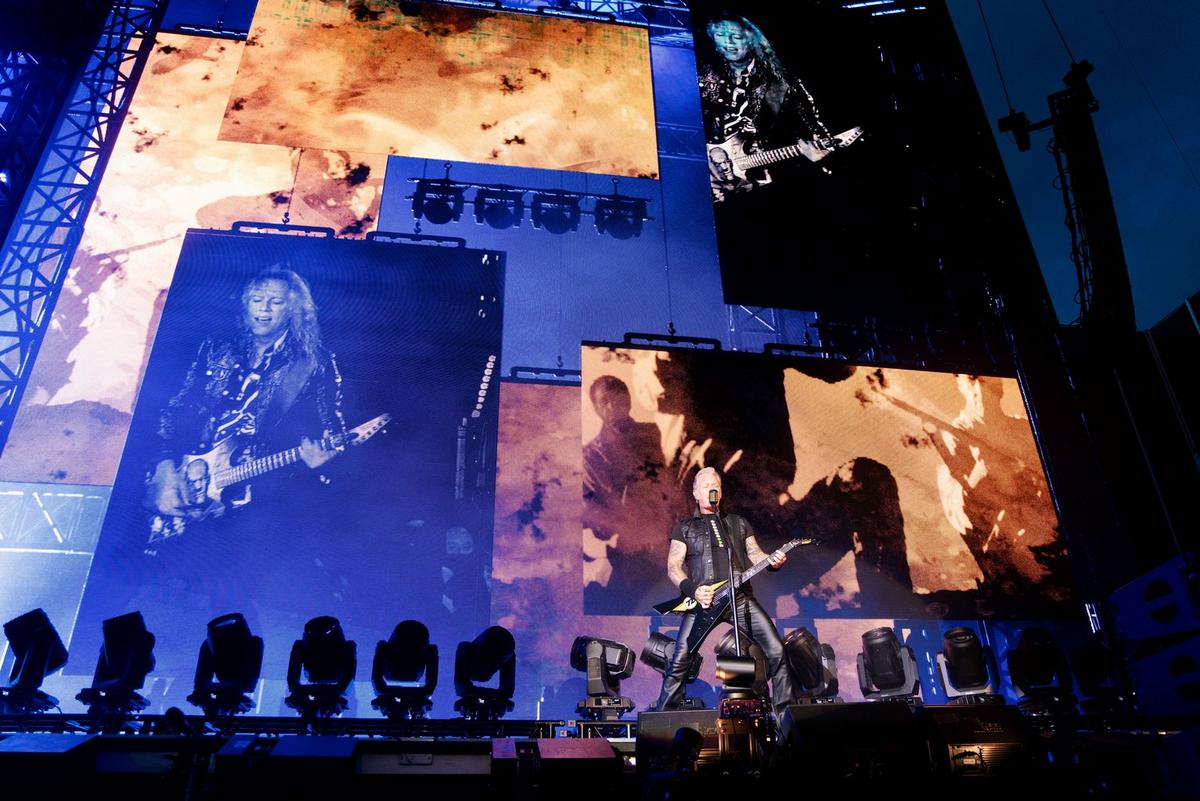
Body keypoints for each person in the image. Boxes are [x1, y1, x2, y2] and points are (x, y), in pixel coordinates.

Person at [146, 266, 345, 542]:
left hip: (250, 500)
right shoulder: (217, 347)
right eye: (257, 299)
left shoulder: (313, 363)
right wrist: (164, 465)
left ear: (293, 310)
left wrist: (323, 463)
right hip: (184, 472)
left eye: (276, 302)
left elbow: (332, 430)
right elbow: (176, 406)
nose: (264, 308)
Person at [653, 467, 798, 712]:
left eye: (716, 486)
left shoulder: (737, 523)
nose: (713, 490)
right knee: (680, 660)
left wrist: (773, 561)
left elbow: (756, 554)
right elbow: (673, 567)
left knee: (777, 650)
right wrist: (693, 590)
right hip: (703, 602)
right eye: (707, 486)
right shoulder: (684, 528)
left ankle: (785, 714)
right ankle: (664, 717)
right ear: (695, 493)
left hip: (739, 599)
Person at [697, 13, 838, 201]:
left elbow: (813, 124)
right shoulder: (702, 74)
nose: (728, 42)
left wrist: (821, 153)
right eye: (720, 35)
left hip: (767, 183)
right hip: (710, 181)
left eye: (736, 36)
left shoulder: (779, 82)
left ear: (750, 38)